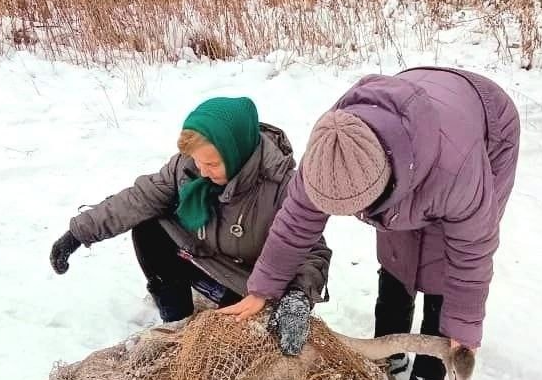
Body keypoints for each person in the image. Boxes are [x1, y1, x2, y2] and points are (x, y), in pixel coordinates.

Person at [218, 67, 520, 380]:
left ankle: (430, 373)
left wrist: (464, 331)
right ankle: (389, 348)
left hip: (486, 126)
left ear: (386, 181)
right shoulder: (331, 151)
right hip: (411, 125)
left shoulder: (458, 173)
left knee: (441, 265)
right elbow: (296, 222)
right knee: (397, 248)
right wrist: (262, 289)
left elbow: (471, 254)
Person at [49, 96, 331, 346]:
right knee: (149, 226)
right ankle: (176, 319)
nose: (202, 171)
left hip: (250, 285)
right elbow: (138, 199)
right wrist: (78, 233)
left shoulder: (281, 186)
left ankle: (224, 307)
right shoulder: (187, 167)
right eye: (198, 162)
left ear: (237, 153)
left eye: (212, 164)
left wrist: (298, 297)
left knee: (231, 344)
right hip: (203, 259)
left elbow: (311, 251)